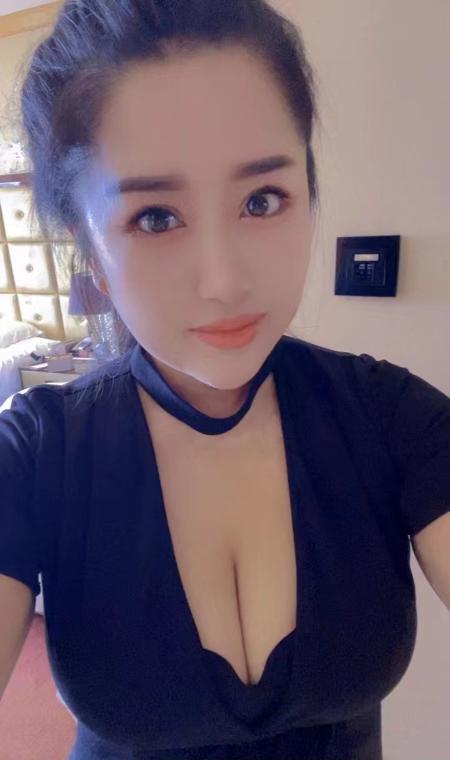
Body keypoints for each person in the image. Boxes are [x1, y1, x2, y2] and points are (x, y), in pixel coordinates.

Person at [1, 1, 449, 758]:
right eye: (155, 218)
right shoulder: (36, 453)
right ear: (89, 250)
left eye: (261, 201)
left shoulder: (394, 419)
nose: (224, 281)